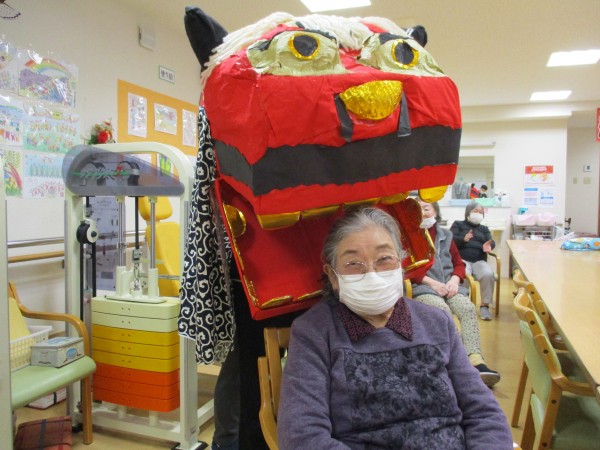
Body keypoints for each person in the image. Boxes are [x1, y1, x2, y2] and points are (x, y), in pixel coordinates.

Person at [277, 207, 513, 449]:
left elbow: (484, 413)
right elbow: (302, 436)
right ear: (333, 276)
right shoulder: (314, 332)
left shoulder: (437, 322)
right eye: (353, 263)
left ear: (401, 264)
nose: (371, 273)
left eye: (384, 259)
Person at [411, 200, 500, 387]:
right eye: (417, 210)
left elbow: (458, 263)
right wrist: (433, 284)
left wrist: (454, 279)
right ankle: (461, 363)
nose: (422, 213)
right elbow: (407, 268)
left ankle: (476, 360)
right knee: (442, 311)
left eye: (426, 208)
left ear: (436, 212)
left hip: (450, 286)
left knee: (467, 308)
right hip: (425, 287)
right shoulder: (408, 236)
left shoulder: (446, 234)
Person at [450, 202, 496, 321]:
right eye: (475, 211)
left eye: (480, 212)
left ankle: (485, 306)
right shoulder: (458, 224)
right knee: (463, 274)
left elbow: (491, 241)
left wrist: (489, 245)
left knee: (488, 274)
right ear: (468, 212)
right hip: (462, 259)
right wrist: (463, 239)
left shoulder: (484, 229)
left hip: (479, 260)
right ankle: (463, 303)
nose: (478, 214)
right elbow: (451, 239)